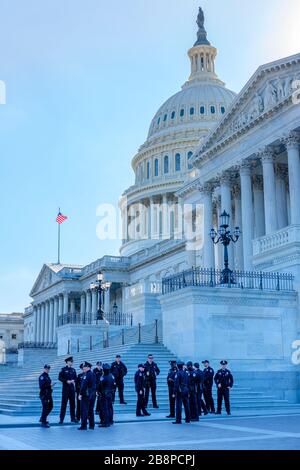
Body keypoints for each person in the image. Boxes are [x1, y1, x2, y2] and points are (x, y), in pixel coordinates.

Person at [58, 356, 77, 424]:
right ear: (67, 362)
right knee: (64, 405)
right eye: (71, 361)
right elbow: (59, 377)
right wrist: (66, 381)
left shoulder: (73, 370)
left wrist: (73, 380)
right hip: (65, 389)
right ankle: (61, 419)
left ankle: (73, 418)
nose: (72, 362)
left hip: (72, 389)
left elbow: (76, 378)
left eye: (72, 361)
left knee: (73, 404)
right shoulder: (63, 369)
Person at [78, 361, 96, 430]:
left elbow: (83, 386)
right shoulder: (93, 374)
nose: (83, 368)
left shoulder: (86, 375)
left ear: (88, 367)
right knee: (90, 410)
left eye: (84, 367)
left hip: (86, 395)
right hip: (92, 395)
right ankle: (92, 425)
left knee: (84, 410)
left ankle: (84, 425)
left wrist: (80, 394)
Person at [97, 363, 116, 427]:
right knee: (110, 408)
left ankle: (105, 422)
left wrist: (98, 391)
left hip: (104, 394)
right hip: (110, 394)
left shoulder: (103, 377)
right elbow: (114, 386)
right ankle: (110, 420)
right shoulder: (112, 376)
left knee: (104, 408)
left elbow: (100, 385)